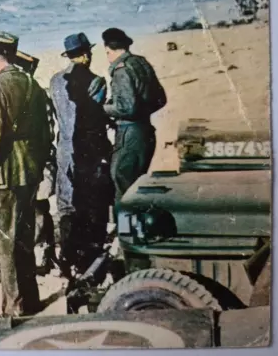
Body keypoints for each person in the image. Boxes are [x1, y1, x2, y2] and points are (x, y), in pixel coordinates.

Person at [0, 31, 52, 317]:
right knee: (24, 239)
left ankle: (15, 307)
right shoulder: (31, 83)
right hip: (30, 173)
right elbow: (45, 134)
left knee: (6, 243)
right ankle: (31, 300)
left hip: (6, 174)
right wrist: (37, 164)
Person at [49, 33, 114, 276]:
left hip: (65, 149)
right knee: (91, 204)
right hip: (88, 151)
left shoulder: (55, 82)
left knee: (67, 204)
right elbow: (96, 119)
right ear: (86, 54)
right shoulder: (96, 82)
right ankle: (89, 257)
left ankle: (67, 256)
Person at [102, 28, 167, 203]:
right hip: (145, 131)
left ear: (109, 49)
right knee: (137, 184)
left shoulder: (121, 69)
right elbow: (160, 99)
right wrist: (142, 111)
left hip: (129, 134)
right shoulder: (141, 63)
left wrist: (103, 109)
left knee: (123, 183)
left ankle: (126, 229)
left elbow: (126, 108)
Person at [12, 50, 58, 275]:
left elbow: (46, 134)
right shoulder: (28, 94)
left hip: (38, 162)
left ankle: (43, 254)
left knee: (39, 209)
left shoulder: (36, 96)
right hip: (29, 163)